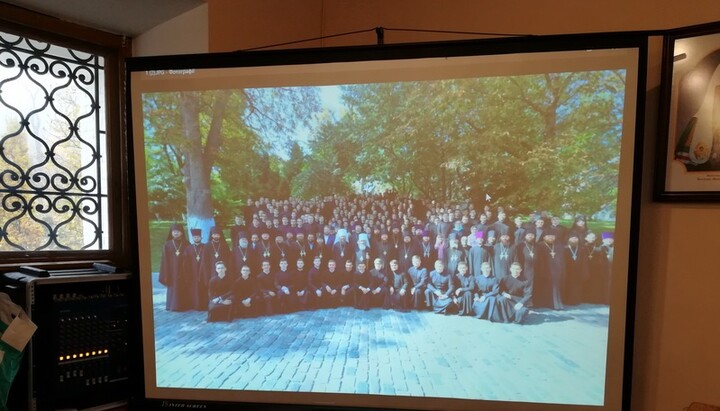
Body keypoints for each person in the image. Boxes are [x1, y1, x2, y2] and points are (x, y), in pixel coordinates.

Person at [159, 223, 192, 312]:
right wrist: (166, 273)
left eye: (178, 231)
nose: (176, 233)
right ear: (171, 233)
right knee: (173, 287)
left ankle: (185, 305)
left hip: (184, 270)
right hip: (172, 271)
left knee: (183, 286)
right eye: (174, 231)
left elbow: (190, 257)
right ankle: (172, 305)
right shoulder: (167, 244)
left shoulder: (186, 243)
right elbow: (164, 260)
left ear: (182, 232)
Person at [184, 227, 206, 310]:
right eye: (195, 237)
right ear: (192, 238)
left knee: (203, 288)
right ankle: (195, 305)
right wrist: (187, 273)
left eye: (198, 237)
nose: (196, 238)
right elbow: (185, 262)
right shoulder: (188, 248)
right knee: (194, 289)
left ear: (201, 237)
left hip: (203, 272)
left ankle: (204, 305)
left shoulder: (205, 247)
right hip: (192, 273)